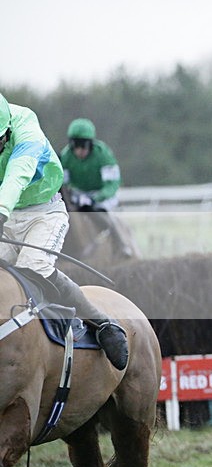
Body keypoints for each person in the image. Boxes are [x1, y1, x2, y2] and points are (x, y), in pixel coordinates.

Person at [0, 93, 128, 370]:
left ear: (7, 130)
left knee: (33, 266)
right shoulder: (68, 155)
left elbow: (17, 174)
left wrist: (1, 210)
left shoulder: (27, 128)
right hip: (11, 209)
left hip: (44, 211)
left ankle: (102, 323)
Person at [59, 117, 133, 257]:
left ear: (90, 144)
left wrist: (96, 198)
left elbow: (111, 184)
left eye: (84, 146)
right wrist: (73, 195)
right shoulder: (66, 156)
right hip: (79, 194)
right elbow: (65, 183)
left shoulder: (103, 154)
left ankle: (121, 245)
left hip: (103, 194)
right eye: (76, 146)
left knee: (101, 211)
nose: (80, 151)